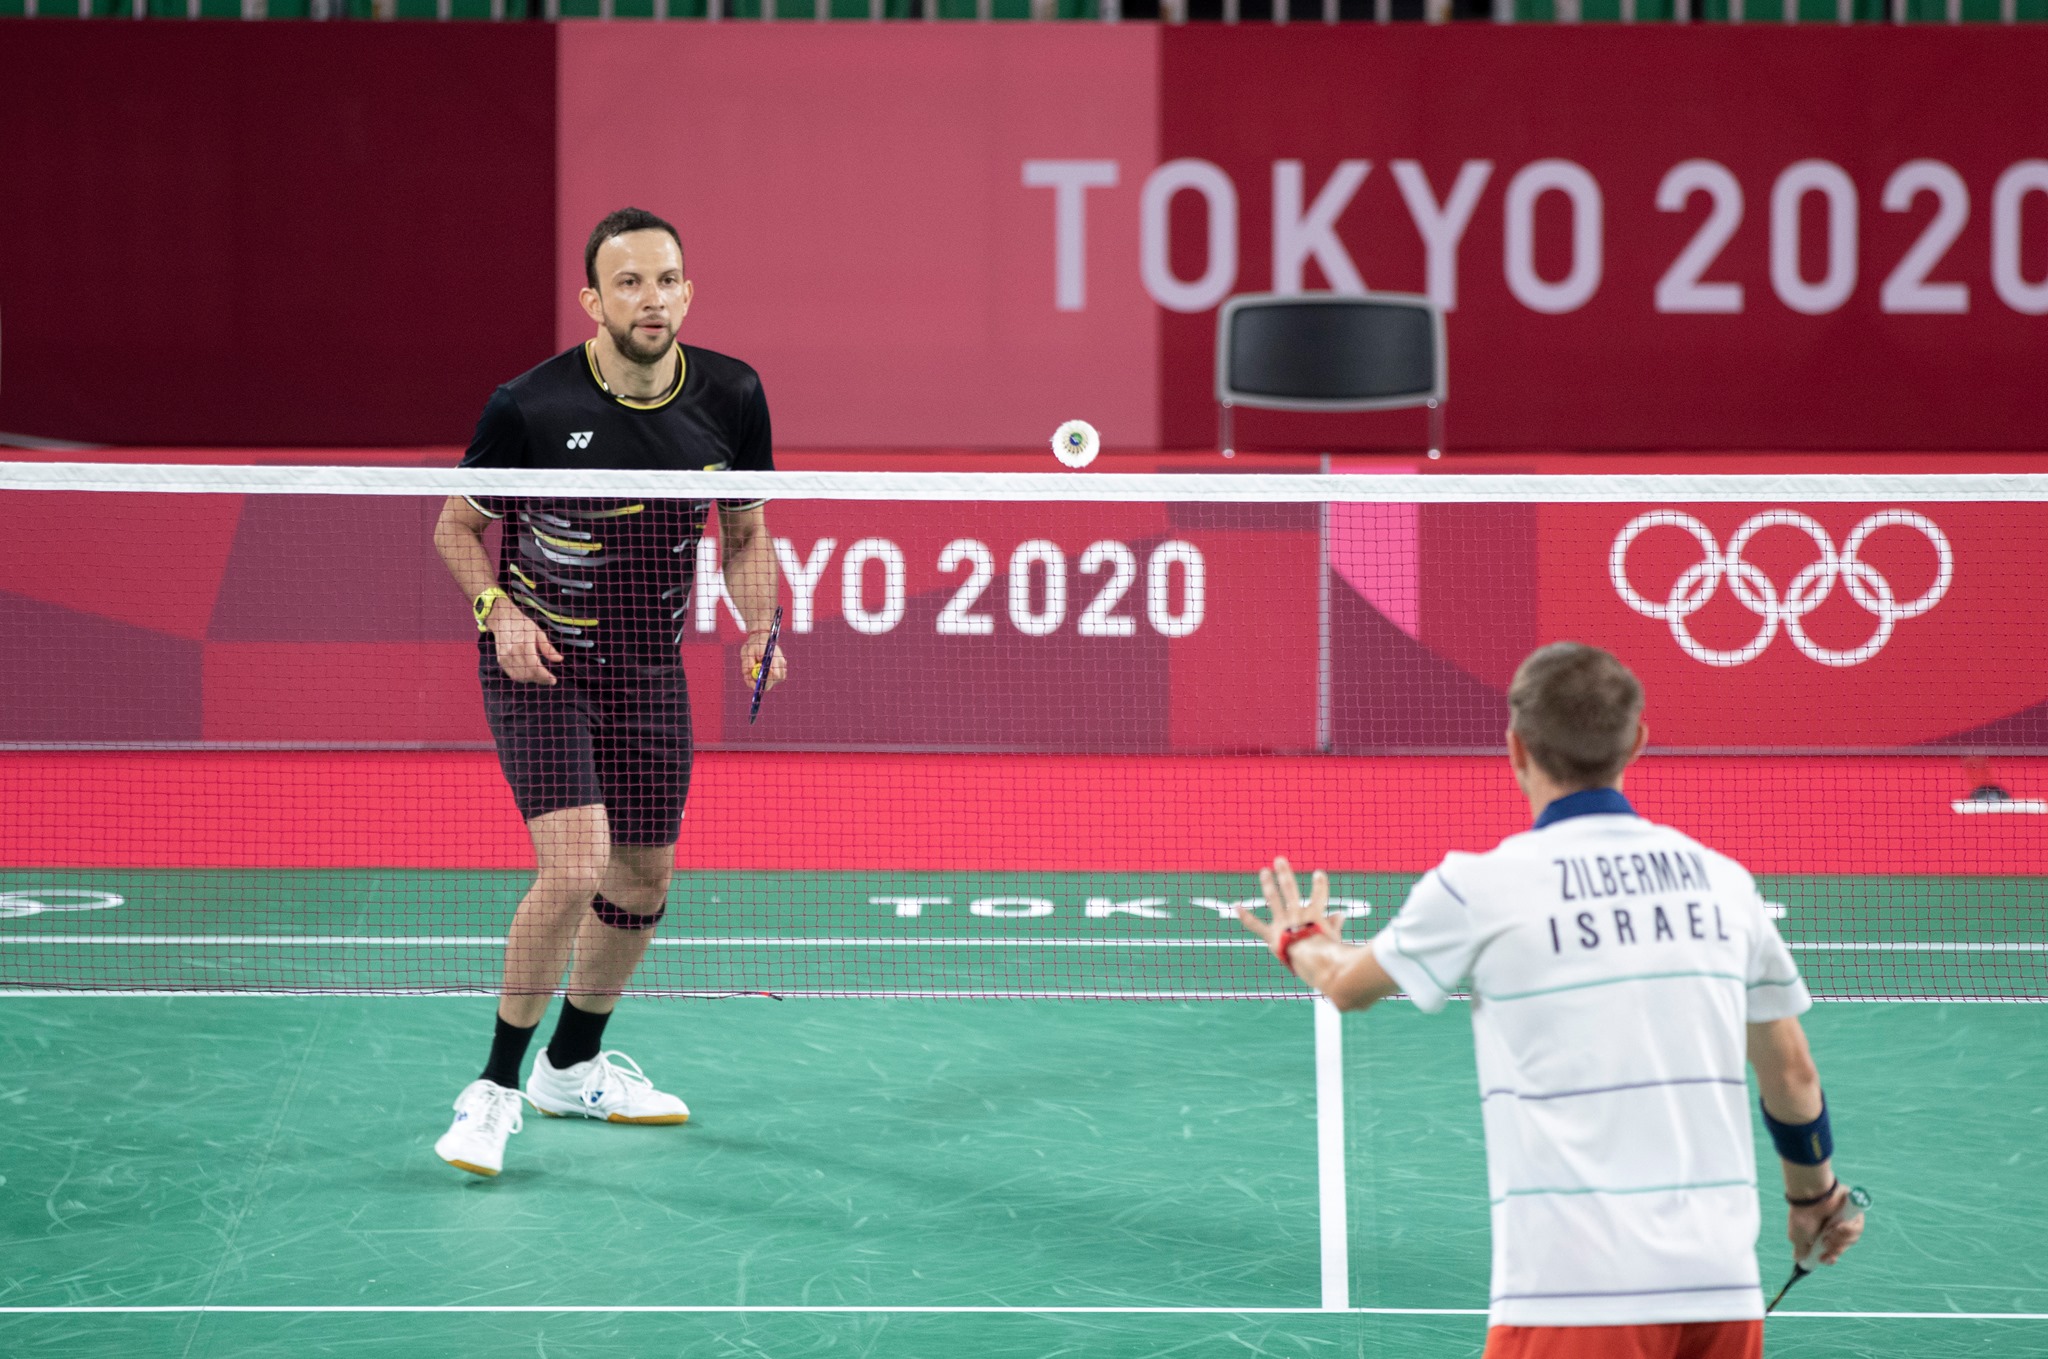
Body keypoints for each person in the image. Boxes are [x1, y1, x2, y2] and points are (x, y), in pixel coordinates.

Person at [1239, 642, 1862, 1358]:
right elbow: (1792, 1072)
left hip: (1572, 1294)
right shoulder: (1723, 884)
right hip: (1720, 1289)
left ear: (1514, 747)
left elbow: (1346, 986)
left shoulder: (1480, 887)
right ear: (1637, 741)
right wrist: (1815, 1198)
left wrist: (1300, 939)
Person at [429, 206, 786, 1178]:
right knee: (576, 864)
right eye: (628, 282)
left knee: (642, 877)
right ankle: (495, 1088)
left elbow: (746, 535)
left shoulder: (732, 394)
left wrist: (759, 624)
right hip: (539, 659)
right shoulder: (529, 406)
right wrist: (498, 611)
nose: (651, 298)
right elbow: (455, 529)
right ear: (592, 301)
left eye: (666, 279)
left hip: (645, 666)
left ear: (688, 289)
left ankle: (570, 1069)